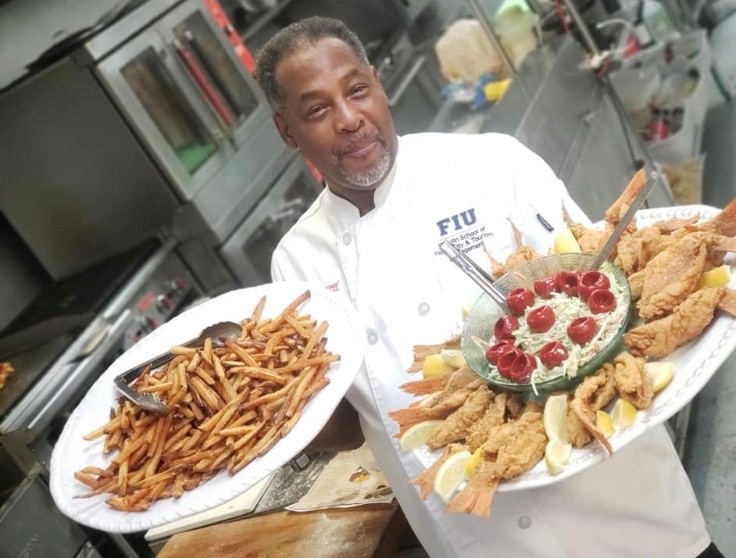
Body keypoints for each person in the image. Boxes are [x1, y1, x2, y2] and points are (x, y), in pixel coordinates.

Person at [254, 16, 723, 558]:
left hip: (624, 512)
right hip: (482, 539)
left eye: (357, 90)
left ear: (378, 86)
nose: (349, 118)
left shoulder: (491, 163)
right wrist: (266, 423)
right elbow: (343, 425)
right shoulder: (296, 260)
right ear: (287, 131)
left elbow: (609, 286)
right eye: (317, 110)